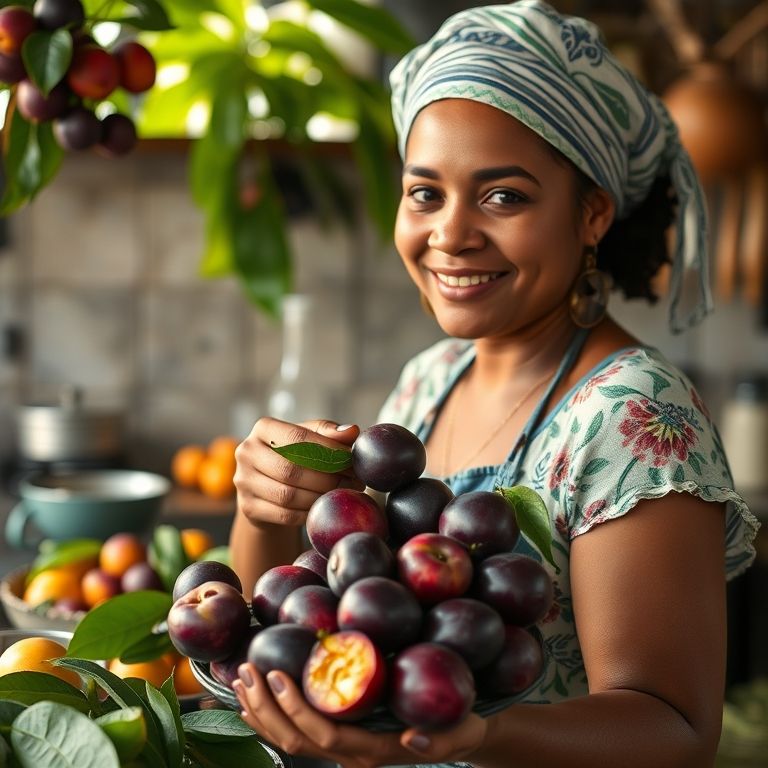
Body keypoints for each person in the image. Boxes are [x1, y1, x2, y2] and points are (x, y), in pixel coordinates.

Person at [229, 2, 759, 766]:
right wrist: (262, 508)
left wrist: (484, 737)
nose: (450, 234)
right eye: (425, 192)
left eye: (502, 195)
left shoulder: (632, 413)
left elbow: (673, 730)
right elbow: (285, 633)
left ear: (592, 215)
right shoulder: (430, 382)